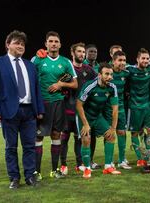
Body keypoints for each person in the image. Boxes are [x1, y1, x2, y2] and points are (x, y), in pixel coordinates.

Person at [0, 30, 44, 189]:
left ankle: (30, 176)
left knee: (29, 147)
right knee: (11, 147)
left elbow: (36, 89)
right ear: (7, 45)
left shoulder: (30, 65)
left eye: (22, 44)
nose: (20, 46)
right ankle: (14, 178)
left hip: (29, 112)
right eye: (17, 43)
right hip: (8, 111)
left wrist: (39, 109)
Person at [31, 31, 78, 180]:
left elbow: (75, 83)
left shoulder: (65, 62)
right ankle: (36, 172)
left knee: (56, 135)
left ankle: (54, 170)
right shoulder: (37, 59)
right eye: (50, 41)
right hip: (41, 103)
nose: (53, 44)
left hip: (58, 103)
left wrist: (60, 84)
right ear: (46, 44)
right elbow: (30, 79)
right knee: (38, 137)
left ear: (60, 44)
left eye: (56, 41)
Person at [76, 62, 121, 178]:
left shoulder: (112, 87)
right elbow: (79, 105)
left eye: (111, 74)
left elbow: (115, 109)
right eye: (106, 74)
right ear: (99, 75)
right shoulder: (90, 86)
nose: (109, 77)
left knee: (111, 136)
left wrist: (113, 128)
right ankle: (87, 169)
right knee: (86, 139)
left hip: (97, 116)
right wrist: (85, 125)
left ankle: (108, 167)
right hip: (84, 116)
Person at [60, 42, 97, 175]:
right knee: (64, 138)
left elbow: (97, 84)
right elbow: (60, 86)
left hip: (82, 111)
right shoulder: (67, 69)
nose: (81, 54)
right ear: (72, 53)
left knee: (79, 138)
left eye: (83, 52)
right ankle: (63, 164)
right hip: (67, 109)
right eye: (79, 51)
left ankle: (79, 163)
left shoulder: (89, 70)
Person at [105, 50, 132, 169]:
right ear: (113, 61)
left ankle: (122, 160)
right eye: (120, 60)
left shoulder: (126, 73)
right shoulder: (107, 72)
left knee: (121, 132)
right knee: (109, 134)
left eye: (124, 60)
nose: (122, 63)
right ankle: (109, 161)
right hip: (107, 108)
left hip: (120, 108)